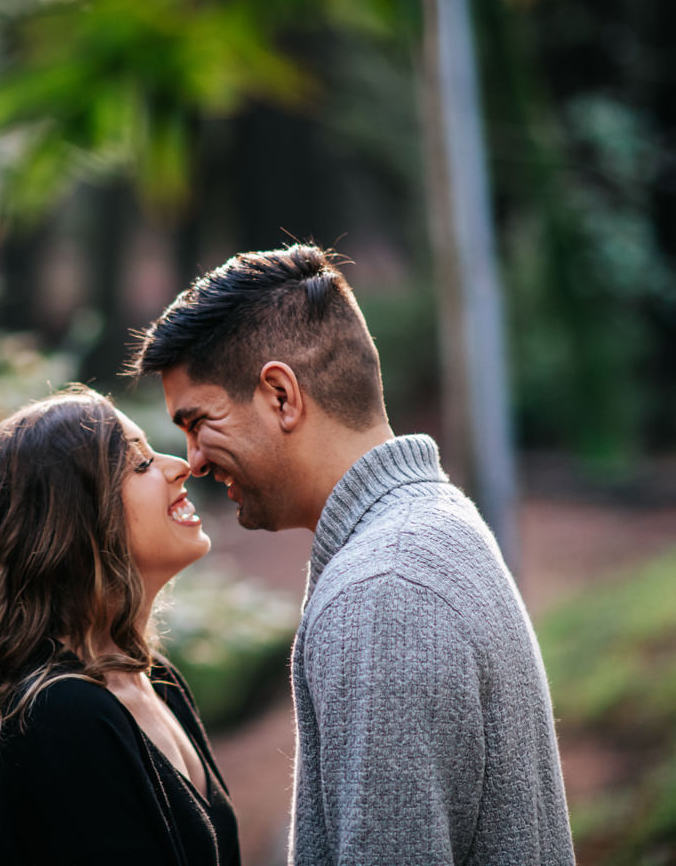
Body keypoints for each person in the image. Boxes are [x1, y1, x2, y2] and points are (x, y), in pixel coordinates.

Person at [127, 245, 574, 865]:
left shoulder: (382, 593)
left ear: (281, 395)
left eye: (198, 422)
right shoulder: (434, 525)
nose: (194, 460)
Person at [0, 386, 241, 866]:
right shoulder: (59, 715)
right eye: (140, 463)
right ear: (74, 520)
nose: (180, 466)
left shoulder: (157, 680)